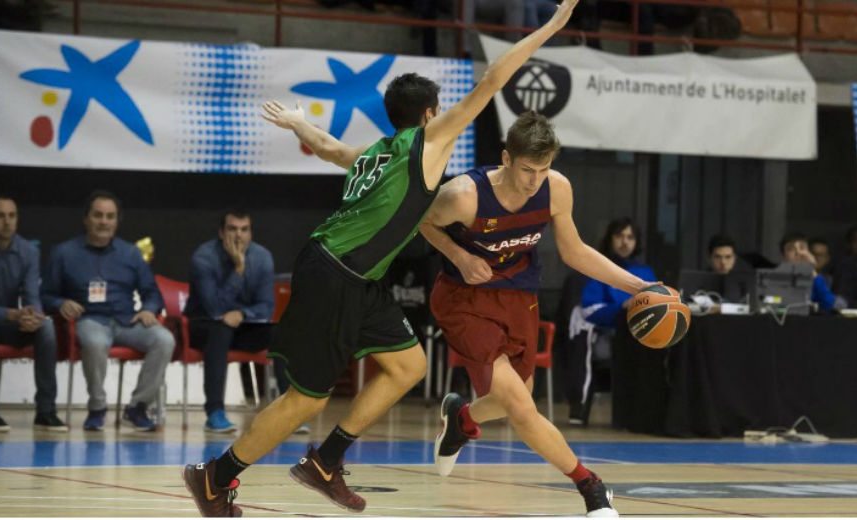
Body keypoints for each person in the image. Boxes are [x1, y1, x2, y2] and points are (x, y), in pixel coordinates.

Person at [183, 2, 580, 516]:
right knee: (308, 399)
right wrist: (550, 27)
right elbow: (492, 80)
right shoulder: (426, 143)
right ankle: (215, 477)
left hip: (356, 276)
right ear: (432, 114)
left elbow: (329, 149)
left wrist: (300, 124)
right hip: (334, 271)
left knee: (409, 365)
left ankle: (326, 462)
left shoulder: (379, 152)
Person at [421, 113, 651, 516]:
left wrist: (640, 287)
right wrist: (457, 254)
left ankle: (461, 419)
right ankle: (592, 488)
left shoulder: (556, 189)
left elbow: (575, 252)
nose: (534, 180)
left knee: (517, 397)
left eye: (543, 170)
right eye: (528, 169)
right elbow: (419, 219)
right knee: (523, 408)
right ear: (506, 158)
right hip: (465, 298)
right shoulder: (463, 195)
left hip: (518, 294)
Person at [41, 191, 175, 432]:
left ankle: (137, 407)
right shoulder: (64, 253)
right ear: (86, 219)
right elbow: (46, 295)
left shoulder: (131, 253)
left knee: (164, 339)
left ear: (117, 221)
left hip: (126, 320)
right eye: (98, 215)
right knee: (94, 341)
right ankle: (97, 407)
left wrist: (149, 309)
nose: (104, 221)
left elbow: (151, 292)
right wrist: (61, 303)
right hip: (90, 319)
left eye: (110, 216)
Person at [185, 209, 285, 433]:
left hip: (242, 326)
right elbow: (214, 308)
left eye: (244, 230)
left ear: (250, 233)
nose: (238, 235)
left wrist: (242, 314)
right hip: (203, 326)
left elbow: (266, 306)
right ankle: (215, 412)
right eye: (232, 229)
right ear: (221, 233)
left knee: (281, 332)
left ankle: (289, 411)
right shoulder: (204, 257)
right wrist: (238, 270)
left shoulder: (262, 257)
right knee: (220, 329)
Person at [569, 218, 656, 425]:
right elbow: (589, 311)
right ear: (610, 239)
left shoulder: (646, 273)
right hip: (607, 336)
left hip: (642, 338)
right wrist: (623, 307)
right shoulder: (596, 268)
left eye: (630, 237)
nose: (625, 242)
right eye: (620, 236)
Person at [0, 196, 66, 433]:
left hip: (13, 323)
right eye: (0, 216)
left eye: (12, 216)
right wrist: (10, 314)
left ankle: (46, 412)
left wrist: (32, 315)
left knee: (45, 327)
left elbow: (32, 293)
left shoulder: (28, 251)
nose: (7, 222)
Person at [779, 232, 836, 312]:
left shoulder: (816, 279)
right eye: (791, 249)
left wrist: (812, 270)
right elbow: (772, 307)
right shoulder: (774, 278)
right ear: (783, 255)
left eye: (802, 248)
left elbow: (829, 304)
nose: (798, 253)